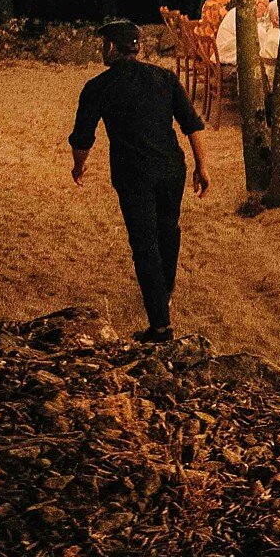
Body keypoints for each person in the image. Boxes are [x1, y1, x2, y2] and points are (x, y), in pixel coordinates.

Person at [68, 20, 210, 341]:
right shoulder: (165, 78)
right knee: (169, 227)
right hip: (173, 168)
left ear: (112, 48)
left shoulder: (98, 87)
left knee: (144, 244)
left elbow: (82, 139)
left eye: (103, 44)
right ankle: (165, 289)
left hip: (133, 174)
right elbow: (192, 124)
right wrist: (202, 166)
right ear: (138, 47)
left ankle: (160, 325)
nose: (101, 50)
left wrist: (79, 168)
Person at [215, 0, 279, 66]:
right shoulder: (246, 18)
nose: (266, 10)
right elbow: (262, 46)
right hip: (230, 67)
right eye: (266, 5)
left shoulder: (236, 11)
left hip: (222, 62)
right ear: (257, 3)